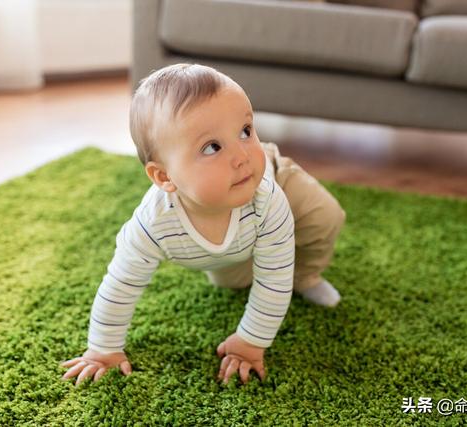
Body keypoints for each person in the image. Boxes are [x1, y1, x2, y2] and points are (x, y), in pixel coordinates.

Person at [61, 63, 345, 386]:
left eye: (245, 131)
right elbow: (121, 284)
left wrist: (250, 341)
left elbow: (274, 276)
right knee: (234, 280)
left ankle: (306, 275)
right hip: (232, 236)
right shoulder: (152, 224)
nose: (241, 155)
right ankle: (244, 253)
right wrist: (103, 349)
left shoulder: (269, 199)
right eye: (212, 147)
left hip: (275, 179)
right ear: (164, 177)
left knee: (325, 217)